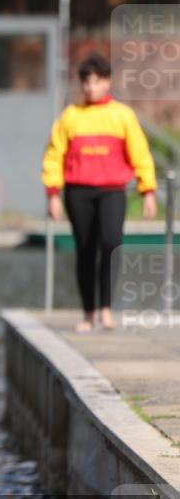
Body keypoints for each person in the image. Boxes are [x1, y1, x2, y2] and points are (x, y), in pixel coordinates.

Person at [42, 51, 158, 332]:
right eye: (86, 82)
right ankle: (88, 313)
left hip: (112, 191)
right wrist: (53, 193)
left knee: (110, 244)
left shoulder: (122, 116)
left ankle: (107, 308)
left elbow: (139, 153)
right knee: (85, 249)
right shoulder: (70, 117)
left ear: (107, 82)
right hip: (78, 192)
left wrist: (148, 190)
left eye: (97, 81)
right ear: (81, 85)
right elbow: (54, 155)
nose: (91, 87)